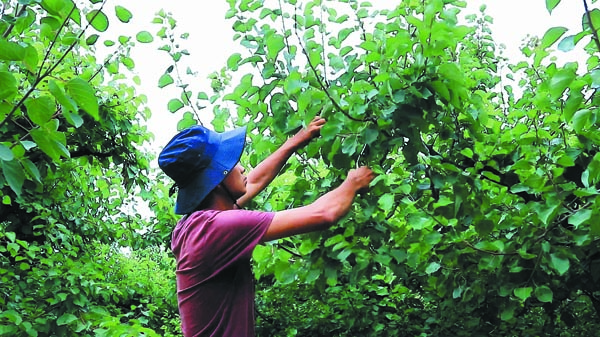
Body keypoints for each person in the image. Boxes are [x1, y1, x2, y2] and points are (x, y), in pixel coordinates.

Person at [158, 117, 374, 337]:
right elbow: (324, 214)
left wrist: (296, 141)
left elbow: (252, 182)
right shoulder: (219, 228)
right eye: (232, 163)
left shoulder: (190, 226)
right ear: (217, 178)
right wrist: (353, 183)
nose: (241, 168)